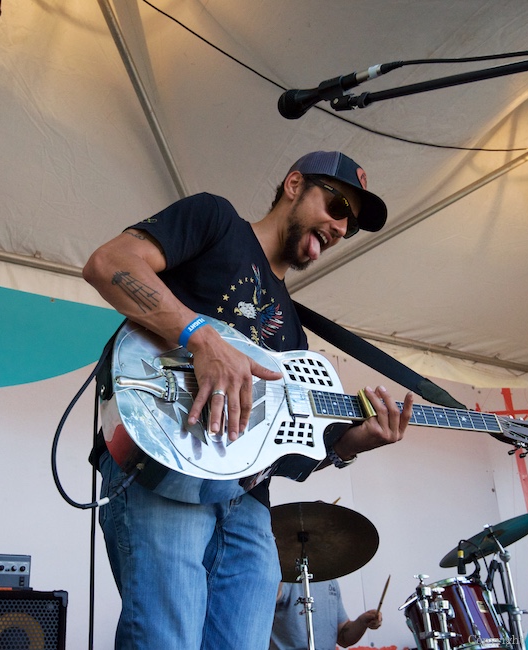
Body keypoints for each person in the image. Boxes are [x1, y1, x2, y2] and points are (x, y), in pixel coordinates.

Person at [83, 150, 414, 650]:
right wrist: (201, 338)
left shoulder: (295, 336)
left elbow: (284, 446)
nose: (342, 228)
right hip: (166, 464)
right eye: (338, 205)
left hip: (247, 503)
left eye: (351, 225)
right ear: (295, 184)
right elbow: (110, 263)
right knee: (164, 640)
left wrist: (350, 445)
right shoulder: (215, 221)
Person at [270, 580, 382, 650]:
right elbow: (269, 596)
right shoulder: (285, 577)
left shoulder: (331, 581)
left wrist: (362, 622)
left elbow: (343, 638)